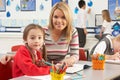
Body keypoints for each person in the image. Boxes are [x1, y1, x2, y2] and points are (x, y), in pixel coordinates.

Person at [0, 2, 79, 67]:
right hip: (43, 69)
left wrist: (68, 61)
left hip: (62, 69)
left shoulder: (72, 32)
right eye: (56, 17)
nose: (59, 20)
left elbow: (75, 55)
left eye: (63, 17)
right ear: (51, 18)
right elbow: (28, 52)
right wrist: (11, 57)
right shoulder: (43, 31)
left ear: (68, 18)